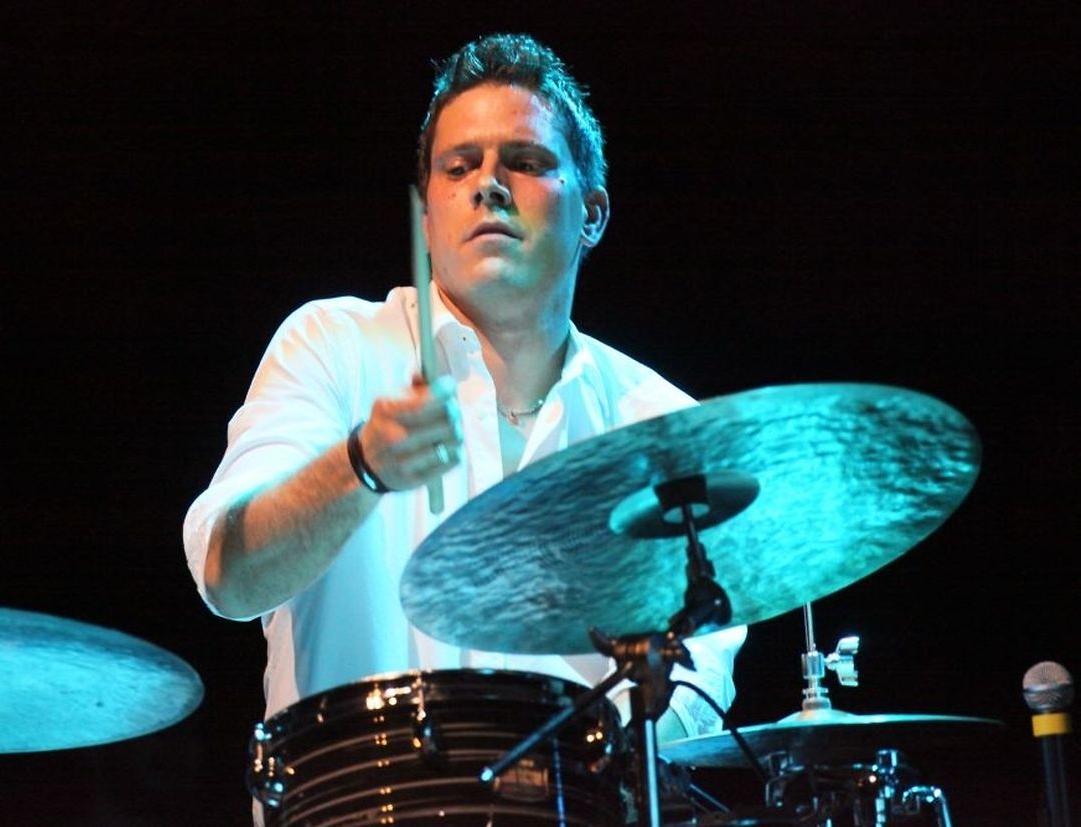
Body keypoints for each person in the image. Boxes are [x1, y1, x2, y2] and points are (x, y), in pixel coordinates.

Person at [183, 31, 746, 813]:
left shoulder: (664, 428)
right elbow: (229, 576)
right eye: (459, 167)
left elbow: (683, 709)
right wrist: (360, 466)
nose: (488, 185)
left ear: (592, 212)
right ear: (426, 218)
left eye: (525, 160)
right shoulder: (333, 348)